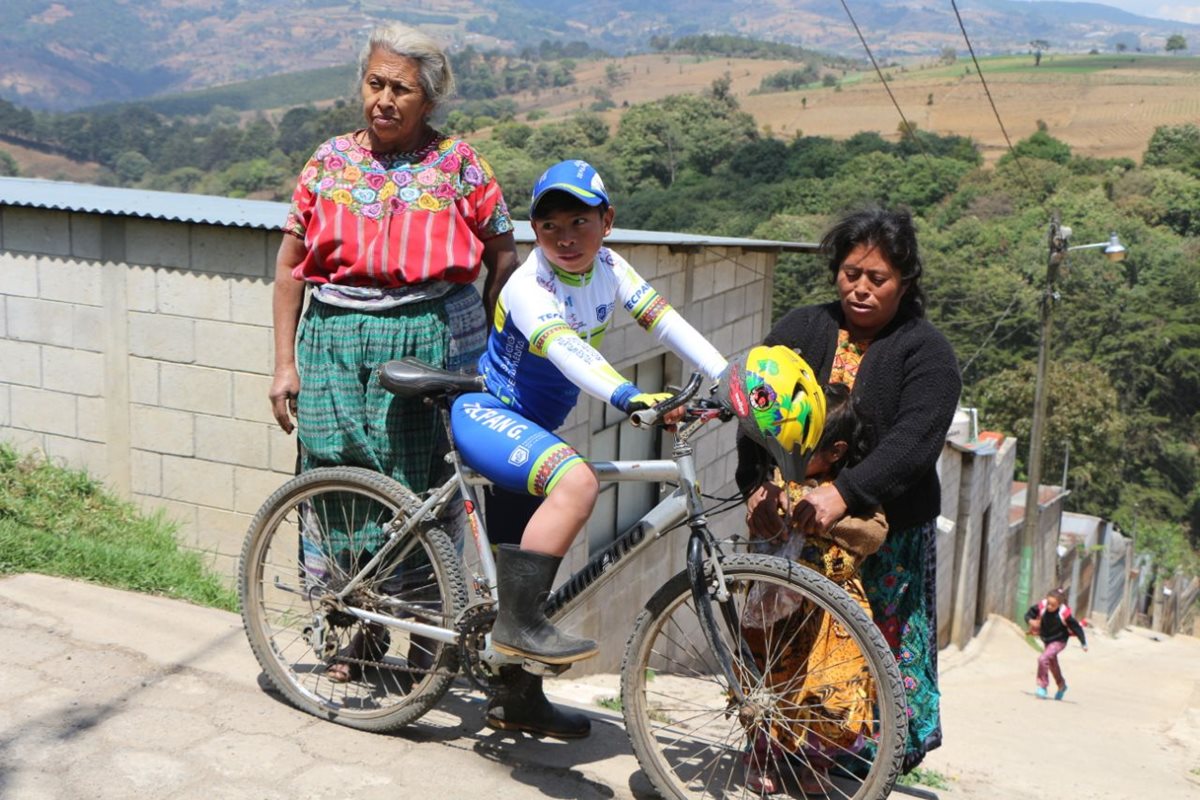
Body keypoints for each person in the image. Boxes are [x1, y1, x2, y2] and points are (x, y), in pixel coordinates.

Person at [268, 23, 519, 683]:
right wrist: (284, 364)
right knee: (335, 481)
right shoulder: (328, 162)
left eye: (400, 89)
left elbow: (503, 251)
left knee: (422, 492)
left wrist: (492, 347)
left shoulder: (459, 164)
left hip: (424, 340)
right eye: (375, 83)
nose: (383, 99)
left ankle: (425, 645)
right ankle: (349, 637)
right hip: (331, 345)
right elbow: (291, 264)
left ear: (427, 101)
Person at [450, 159, 729, 738]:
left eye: (579, 220)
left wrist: (728, 377)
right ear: (534, 231)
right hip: (490, 416)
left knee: (530, 571)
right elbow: (568, 353)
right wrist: (628, 395)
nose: (565, 237)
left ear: (607, 221)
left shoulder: (610, 266)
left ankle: (516, 697)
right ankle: (517, 629)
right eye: (549, 226)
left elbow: (666, 323)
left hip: (531, 433)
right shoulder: (529, 286)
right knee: (578, 482)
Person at [736, 206, 962, 774]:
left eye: (877, 279)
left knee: (865, 653)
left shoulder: (926, 353)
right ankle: (774, 752)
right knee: (783, 643)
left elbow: (915, 442)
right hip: (793, 525)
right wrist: (757, 485)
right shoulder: (802, 328)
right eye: (850, 274)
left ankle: (846, 765)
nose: (861, 288)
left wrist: (847, 492)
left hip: (885, 536)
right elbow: (755, 408)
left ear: (905, 282)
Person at [739, 382, 888, 795]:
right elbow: (754, 522)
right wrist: (764, 509)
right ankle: (761, 755)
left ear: (836, 452)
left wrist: (831, 519)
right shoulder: (775, 479)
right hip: (774, 607)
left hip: (831, 615)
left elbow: (875, 533)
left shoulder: (849, 490)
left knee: (829, 691)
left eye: (804, 451)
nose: (790, 458)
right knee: (769, 684)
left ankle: (814, 766)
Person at [1024, 587, 1088, 700]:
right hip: (1047, 639)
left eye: (1052, 605)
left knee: (1043, 659)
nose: (1049, 606)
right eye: (1048, 603)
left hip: (1059, 641)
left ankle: (1042, 687)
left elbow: (1076, 627)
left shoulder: (1064, 613)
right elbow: (1028, 614)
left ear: (1059, 604)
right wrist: (1031, 621)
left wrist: (1083, 642)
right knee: (1052, 665)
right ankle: (1061, 685)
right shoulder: (1042, 606)